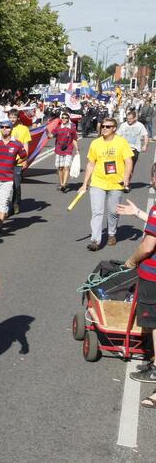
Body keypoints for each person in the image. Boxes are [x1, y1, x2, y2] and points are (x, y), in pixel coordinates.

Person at [117, 166, 156, 390]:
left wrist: (131, 261)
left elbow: (148, 246)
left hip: (152, 274)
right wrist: (139, 213)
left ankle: (155, 368)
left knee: (153, 322)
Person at [78, 118, 134, 251]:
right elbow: (91, 164)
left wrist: (126, 177)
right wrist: (85, 184)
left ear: (114, 128)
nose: (104, 128)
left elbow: (128, 161)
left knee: (113, 212)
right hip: (98, 181)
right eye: (102, 126)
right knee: (97, 212)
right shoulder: (95, 143)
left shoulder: (121, 142)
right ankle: (95, 240)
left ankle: (112, 233)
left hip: (116, 183)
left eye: (108, 127)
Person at [0, 122, 27, 235]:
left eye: (7, 127)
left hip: (7, 179)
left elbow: (24, 156)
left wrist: (15, 162)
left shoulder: (17, 144)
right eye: (2, 127)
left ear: (11, 129)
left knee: (3, 204)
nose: (4, 129)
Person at [48, 112, 79, 192]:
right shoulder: (58, 127)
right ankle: (61, 183)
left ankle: (64, 184)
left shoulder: (72, 127)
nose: (64, 119)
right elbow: (50, 136)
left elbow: (74, 138)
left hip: (68, 149)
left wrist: (77, 149)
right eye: (63, 117)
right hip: (59, 150)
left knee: (66, 167)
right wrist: (46, 129)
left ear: (68, 119)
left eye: (66, 118)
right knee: (60, 168)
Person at [8, 110, 30, 214]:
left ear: (18, 118)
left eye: (14, 117)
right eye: (10, 117)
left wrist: (25, 159)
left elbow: (26, 145)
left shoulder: (24, 129)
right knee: (6, 185)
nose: (12, 119)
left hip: (18, 160)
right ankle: (6, 205)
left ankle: (16, 203)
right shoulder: (5, 128)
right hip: (6, 161)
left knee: (16, 184)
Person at [117, 110, 149, 175]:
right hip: (123, 149)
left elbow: (145, 135)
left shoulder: (140, 125)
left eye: (131, 118)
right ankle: (123, 181)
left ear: (135, 118)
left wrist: (145, 145)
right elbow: (117, 135)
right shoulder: (123, 125)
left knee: (130, 168)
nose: (129, 120)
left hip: (134, 149)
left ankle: (127, 183)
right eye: (127, 118)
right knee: (121, 167)